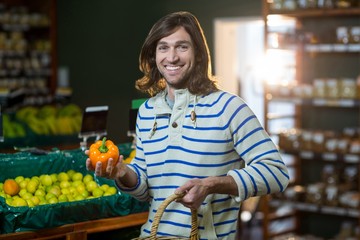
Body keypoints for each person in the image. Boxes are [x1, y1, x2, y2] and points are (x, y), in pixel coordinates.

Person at [86, 11, 289, 239]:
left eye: (182, 47)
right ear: (154, 55)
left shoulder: (229, 107)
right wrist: (123, 173)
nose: (171, 57)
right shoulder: (147, 111)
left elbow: (276, 173)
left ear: (199, 54)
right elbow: (146, 190)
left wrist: (212, 185)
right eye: (163, 47)